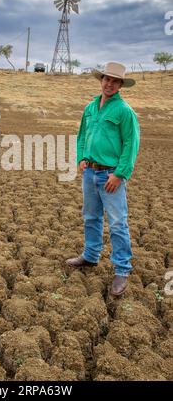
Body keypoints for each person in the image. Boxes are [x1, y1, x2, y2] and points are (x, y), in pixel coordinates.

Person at [66, 62, 140, 296]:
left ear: (120, 85)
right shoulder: (90, 107)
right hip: (90, 172)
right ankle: (90, 256)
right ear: (101, 80)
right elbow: (81, 136)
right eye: (106, 79)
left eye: (114, 81)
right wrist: (81, 158)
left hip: (110, 175)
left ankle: (122, 270)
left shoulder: (124, 111)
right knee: (90, 216)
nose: (109, 84)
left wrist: (119, 174)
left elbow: (131, 144)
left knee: (117, 222)